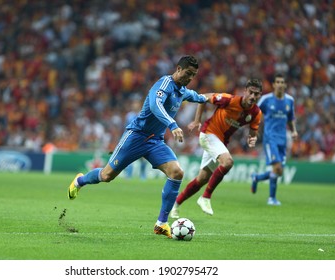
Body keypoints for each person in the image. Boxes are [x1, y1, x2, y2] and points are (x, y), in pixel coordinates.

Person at [67, 55, 208, 238]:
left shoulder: (183, 91)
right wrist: (172, 124)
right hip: (136, 136)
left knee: (177, 172)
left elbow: (201, 97)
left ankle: (161, 223)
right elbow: (155, 104)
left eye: (193, 75)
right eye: (188, 73)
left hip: (155, 141)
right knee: (107, 175)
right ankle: (80, 181)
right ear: (178, 69)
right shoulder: (164, 83)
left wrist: (224, 99)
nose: (190, 78)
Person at [170, 78, 263, 218]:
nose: (253, 97)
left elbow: (253, 131)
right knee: (228, 162)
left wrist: (252, 138)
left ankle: (175, 205)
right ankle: (205, 197)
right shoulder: (229, 100)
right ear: (245, 91)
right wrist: (197, 121)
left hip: (220, 142)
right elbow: (203, 98)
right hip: (208, 134)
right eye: (251, 92)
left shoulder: (255, 113)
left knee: (201, 179)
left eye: (257, 94)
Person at [250, 74, 298, 205]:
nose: (280, 84)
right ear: (274, 85)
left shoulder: (290, 100)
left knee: (279, 171)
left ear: (285, 85)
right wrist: (253, 129)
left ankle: (256, 177)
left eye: (282, 82)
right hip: (270, 138)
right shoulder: (266, 99)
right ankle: (271, 198)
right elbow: (255, 112)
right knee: (277, 168)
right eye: (278, 82)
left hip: (283, 140)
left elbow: (291, 117)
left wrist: (293, 130)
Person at [123, 98, 147, 180]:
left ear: (140, 106)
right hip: (131, 139)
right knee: (128, 157)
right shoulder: (129, 115)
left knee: (143, 158)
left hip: (141, 139)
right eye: (133, 104)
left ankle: (143, 175)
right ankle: (128, 175)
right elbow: (126, 127)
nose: (134, 106)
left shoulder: (143, 114)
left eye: (136, 104)